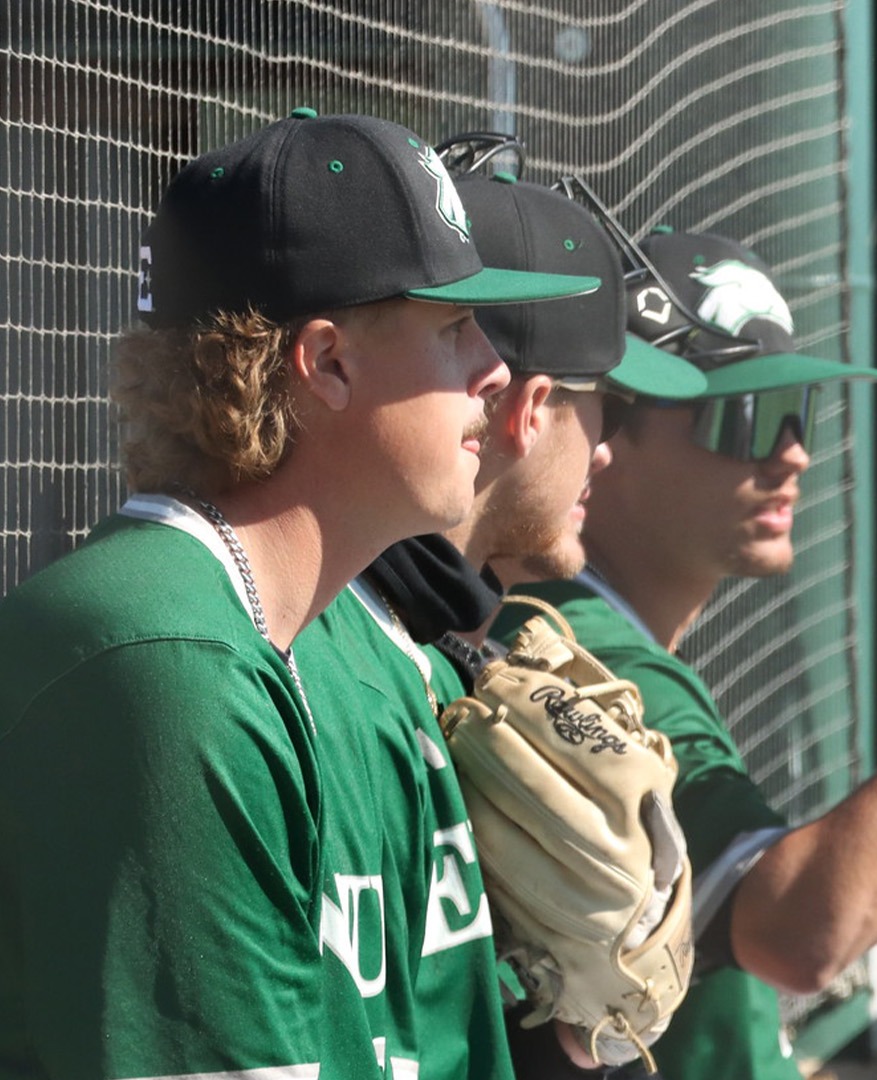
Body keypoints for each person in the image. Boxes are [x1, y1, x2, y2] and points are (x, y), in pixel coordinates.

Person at [0, 110, 596, 1079]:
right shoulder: (164, 663)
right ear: (326, 363)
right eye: (453, 328)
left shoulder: (283, 632)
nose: (495, 370)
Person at [498, 226, 877, 1079]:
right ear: (606, 434)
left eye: (798, 415)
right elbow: (805, 929)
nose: (793, 454)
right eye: (748, 417)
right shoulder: (581, 650)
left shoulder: (598, 632)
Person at [313, 169, 709, 1079]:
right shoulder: (332, 653)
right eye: (603, 401)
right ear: (532, 411)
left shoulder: (452, 651)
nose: (604, 447)